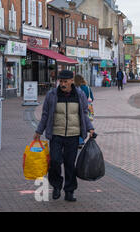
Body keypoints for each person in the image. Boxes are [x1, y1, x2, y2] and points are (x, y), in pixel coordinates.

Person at [34, 70, 95, 202]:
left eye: (65, 82)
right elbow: (45, 115)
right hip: (56, 134)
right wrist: (38, 131)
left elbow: (84, 113)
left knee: (69, 164)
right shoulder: (52, 95)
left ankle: (69, 191)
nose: (62, 84)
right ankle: (56, 186)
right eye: (60, 81)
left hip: (73, 135)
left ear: (71, 81)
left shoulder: (79, 95)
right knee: (55, 161)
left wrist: (90, 128)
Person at [74, 75, 94, 148]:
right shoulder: (87, 88)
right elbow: (92, 98)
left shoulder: (76, 89)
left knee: (79, 124)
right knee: (85, 123)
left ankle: (80, 140)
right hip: (87, 108)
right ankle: (82, 139)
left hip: (78, 108)